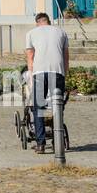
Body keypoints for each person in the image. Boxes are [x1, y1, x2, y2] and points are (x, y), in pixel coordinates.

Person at [24, 12, 69, 154]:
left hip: (39, 72)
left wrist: (31, 74)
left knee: (39, 108)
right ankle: (58, 140)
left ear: (37, 22)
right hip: (58, 71)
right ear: (48, 21)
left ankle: (41, 143)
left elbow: (30, 56)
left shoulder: (31, 33)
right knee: (57, 106)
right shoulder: (61, 32)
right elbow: (66, 56)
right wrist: (64, 73)